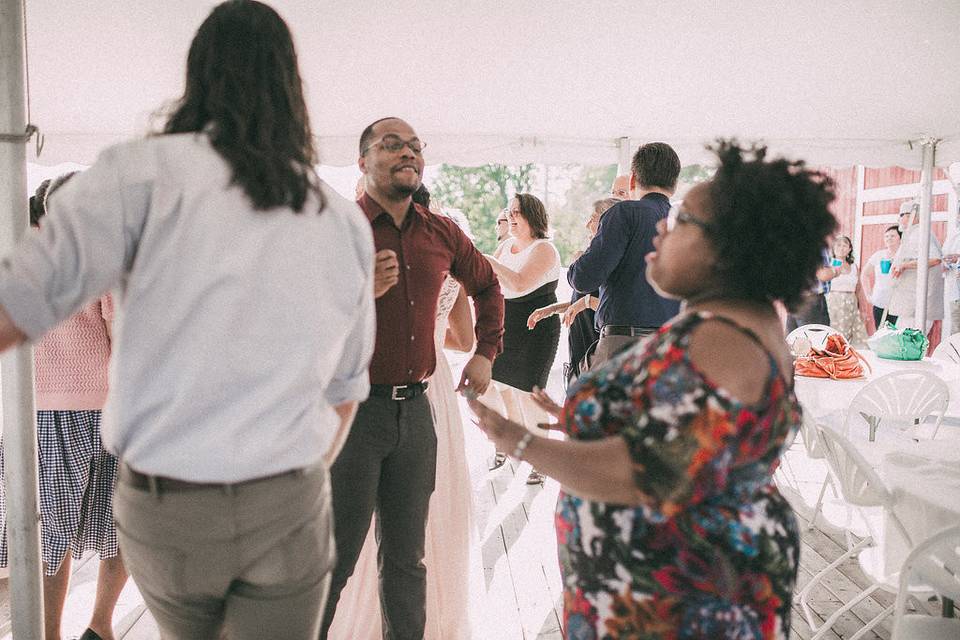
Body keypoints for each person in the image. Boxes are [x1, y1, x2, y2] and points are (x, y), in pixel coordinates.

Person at [0, 2, 376, 638]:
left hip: (166, 504)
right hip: (287, 500)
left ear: (196, 76)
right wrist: (300, 480)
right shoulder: (338, 219)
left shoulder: (136, 176)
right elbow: (345, 391)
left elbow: (16, 305)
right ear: (292, 88)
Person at [469, 140, 835, 638]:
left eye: (684, 222)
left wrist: (522, 442)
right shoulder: (727, 323)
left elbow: (643, 472)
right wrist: (583, 417)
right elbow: (690, 443)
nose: (662, 225)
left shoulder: (725, 341)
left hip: (673, 597)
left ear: (729, 248)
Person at [320, 117, 503, 639]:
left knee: (407, 562)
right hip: (351, 415)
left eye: (416, 147)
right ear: (362, 162)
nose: (409, 153)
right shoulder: (337, 231)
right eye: (393, 144)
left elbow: (488, 287)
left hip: (416, 416)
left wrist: (486, 352)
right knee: (334, 562)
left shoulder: (441, 232)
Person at [0, 174, 127, 640]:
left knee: (53, 525)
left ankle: (75, 628)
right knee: (110, 520)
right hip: (69, 407)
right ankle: (82, 626)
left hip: (41, 405)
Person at [567, 143, 682, 368]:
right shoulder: (684, 221)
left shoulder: (624, 213)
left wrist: (578, 262)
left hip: (623, 345)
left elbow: (583, 278)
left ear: (632, 180)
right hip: (670, 348)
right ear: (675, 184)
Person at [485, 193, 562, 485]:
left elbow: (518, 283)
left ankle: (541, 460)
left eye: (518, 212)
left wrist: (489, 260)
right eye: (510, 212)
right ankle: (511, 441)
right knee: (490, 387)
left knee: (530, 395)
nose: (512, 217)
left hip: (535, 328)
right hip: (506, 325)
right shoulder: (505, 246)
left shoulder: (545, 249)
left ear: (533, 216)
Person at [528, 197, 622, 385]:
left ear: (607, 222)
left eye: (593, 218)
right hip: (579, 346)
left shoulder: (611, 261)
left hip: (595, 348)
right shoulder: (593, 260)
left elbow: (611, 307)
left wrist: (584, 302)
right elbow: (583, 300)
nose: (587, 224)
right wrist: (551, 309)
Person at [889, 200, 943, 332]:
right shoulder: (913, 233)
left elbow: (935, 259)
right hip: (910, 303)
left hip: (917, 303)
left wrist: (904, 265)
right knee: (902, 337)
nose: (899, 219)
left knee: (909, 340)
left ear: (911, 215)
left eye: (902, 215)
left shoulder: (920, 232)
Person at [825, 235, 868, 345]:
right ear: (833, 248)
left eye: (845, 245)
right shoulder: (827, 265)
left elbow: (859, 290)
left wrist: (863, 309)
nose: (841, 248)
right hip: (832, 305)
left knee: (856, 337)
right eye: (838, 245)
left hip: (850, 305)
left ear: (849, 249)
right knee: (832, 336)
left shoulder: (854, 267)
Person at [861, 225, 902, 328]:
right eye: (886, 236)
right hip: (880, 301)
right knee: (881, 333)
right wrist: (868, 295)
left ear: (900, 238)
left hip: (899, 302)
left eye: (892, 236)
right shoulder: (879, 255)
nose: (889, 238)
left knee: (897, 334)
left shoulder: (904, 256)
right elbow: (864, 274)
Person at [940, 222, 960, 335]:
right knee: (956, 331)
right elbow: (944, 256)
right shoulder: (954, 234)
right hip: (956, 292)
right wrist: (947, 263)